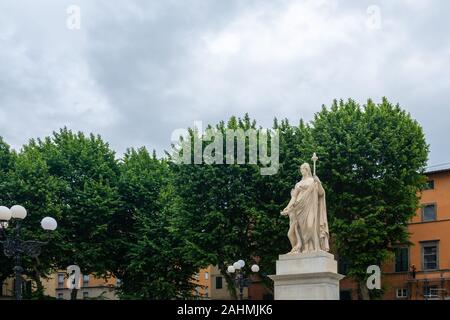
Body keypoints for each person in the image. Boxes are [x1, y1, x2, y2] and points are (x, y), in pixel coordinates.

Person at [281, 163, 330, 254]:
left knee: (310, 226)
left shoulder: (313, 181)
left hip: (310, 207)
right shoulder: (298, 184)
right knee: (301, 229)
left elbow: (321, 193)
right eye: (300, 169)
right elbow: (294, 197)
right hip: (299, 207)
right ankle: (306, 248)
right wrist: (287, 208)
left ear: (307, 170)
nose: (301, 171)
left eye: (302, 169)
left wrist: (318, 182)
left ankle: (315, 247)